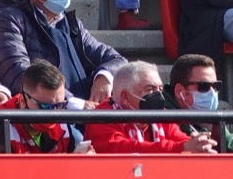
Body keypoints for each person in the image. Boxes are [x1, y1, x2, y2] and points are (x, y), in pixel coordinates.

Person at [0, 0, 125, 100]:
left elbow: (118, 61)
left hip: (84, 113)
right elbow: (18, 75)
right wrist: (71, 102)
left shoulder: (70, 23)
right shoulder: (6, 17)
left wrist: (104, 76)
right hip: (46, 116)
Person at [84, 61, 217, 154]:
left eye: (160, 89)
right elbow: (124, 149)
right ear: (125, 97)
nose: (158, 95)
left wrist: (196, 143)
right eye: (150, 89)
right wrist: (181, 147)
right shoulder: (102, 117)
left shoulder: (161, 115)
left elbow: (179, 138)